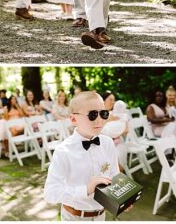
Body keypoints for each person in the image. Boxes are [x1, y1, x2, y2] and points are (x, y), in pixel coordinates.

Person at [43, 91, 122, 221]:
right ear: (74, 119)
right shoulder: (63, 151)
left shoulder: (107, 142)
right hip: (74, 217)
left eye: (103, 114)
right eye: (92, 115)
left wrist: (122, 197)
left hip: (101, 215)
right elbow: (50, 193)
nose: (99, 120)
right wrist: (85, 190)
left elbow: (114, 174)